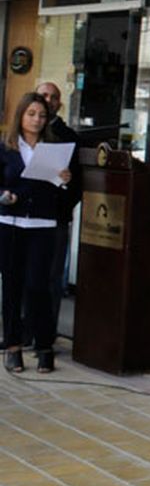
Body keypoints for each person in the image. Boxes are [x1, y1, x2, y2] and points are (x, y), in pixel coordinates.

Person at [0, 92, 75, 373]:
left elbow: (61, 185)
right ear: (20, 115)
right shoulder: (6, 148)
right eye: (31, 114)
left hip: (42, 226)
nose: (36, 120)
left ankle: (44, 347)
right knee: (12, 288)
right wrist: (6, 195)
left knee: (38, 287)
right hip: (11, 225)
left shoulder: (54, 148)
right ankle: (13, 346)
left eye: (42, 115)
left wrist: (64, 179)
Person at [34, 81, 81, 332]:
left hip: (55, 218)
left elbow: (77, 185)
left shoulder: (69, 137)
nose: (48, 100)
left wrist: (61, 204)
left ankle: (44, 334)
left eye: (53, 97)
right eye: (44, 95)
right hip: (23, 215)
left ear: (59, 103)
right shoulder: (23, 135)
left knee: (51, 278)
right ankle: (18, 332)